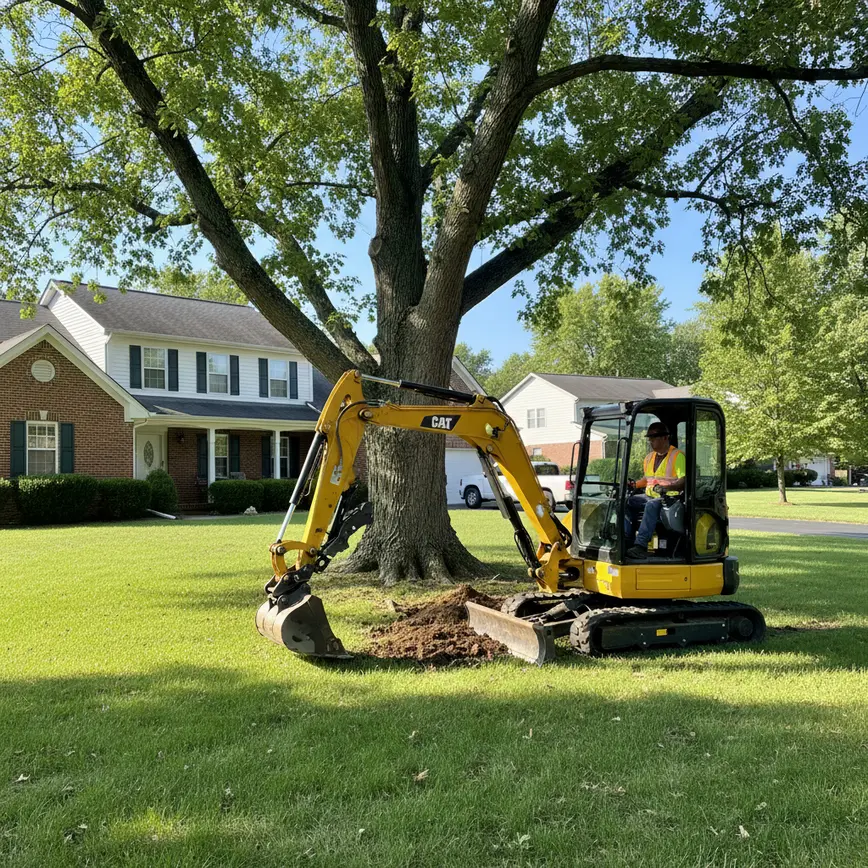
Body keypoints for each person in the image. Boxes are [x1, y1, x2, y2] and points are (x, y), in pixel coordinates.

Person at [624, 422, 686, 559]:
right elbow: (647, 480)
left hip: (669, 499)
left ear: (665, 438)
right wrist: (634, 485)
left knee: (651, 505)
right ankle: (626, 541)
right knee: (626, 502)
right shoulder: (649, 458)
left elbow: (683, 480)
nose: (650, 441)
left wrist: (667, 488)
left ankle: (640, 546)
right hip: (649, 496)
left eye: (654, 438)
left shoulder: (677, 456)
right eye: (650, 438)